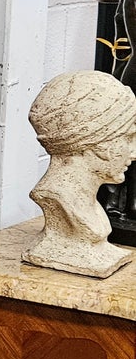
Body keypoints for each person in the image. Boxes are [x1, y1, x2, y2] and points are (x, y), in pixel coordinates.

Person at [24, 70, 136, 277]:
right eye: (128, 138)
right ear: (97, 143)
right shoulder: (61, 200)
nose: (134, 152)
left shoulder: (89, 206)